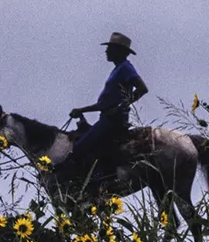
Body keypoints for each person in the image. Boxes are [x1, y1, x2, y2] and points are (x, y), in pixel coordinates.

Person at [56, 32, 149, 181]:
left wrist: (121, 105)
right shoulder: (118, 69)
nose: (106, 51)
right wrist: (82, 111)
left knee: (80, 148)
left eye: (110, 48)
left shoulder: (126, 68)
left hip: (113, 120)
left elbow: (142, 89)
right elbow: (104, 104)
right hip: (107, 118)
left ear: (119, 51)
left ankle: (98, 182)